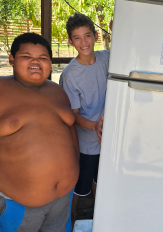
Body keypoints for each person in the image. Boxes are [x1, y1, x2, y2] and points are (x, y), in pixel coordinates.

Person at [0, 33, 79, 232]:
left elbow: (70, 129)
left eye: (43, 57)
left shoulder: (57, 92)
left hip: (62, 197)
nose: (35, 61)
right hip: (16, 200)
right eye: (27, 56)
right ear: (11, 59)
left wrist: (76, 164)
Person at [59, 12, 109, 226]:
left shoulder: (107, 58)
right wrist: (95, 126)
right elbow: (72, 115)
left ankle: (101, 223)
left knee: (102, 181)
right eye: (77, 38)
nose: (83, 42)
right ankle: (71, 222)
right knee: (78, 188)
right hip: (87, 143)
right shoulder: (70, 74)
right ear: (70, 41)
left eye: (87, 35)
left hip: (109, 137)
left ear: (96, 36)